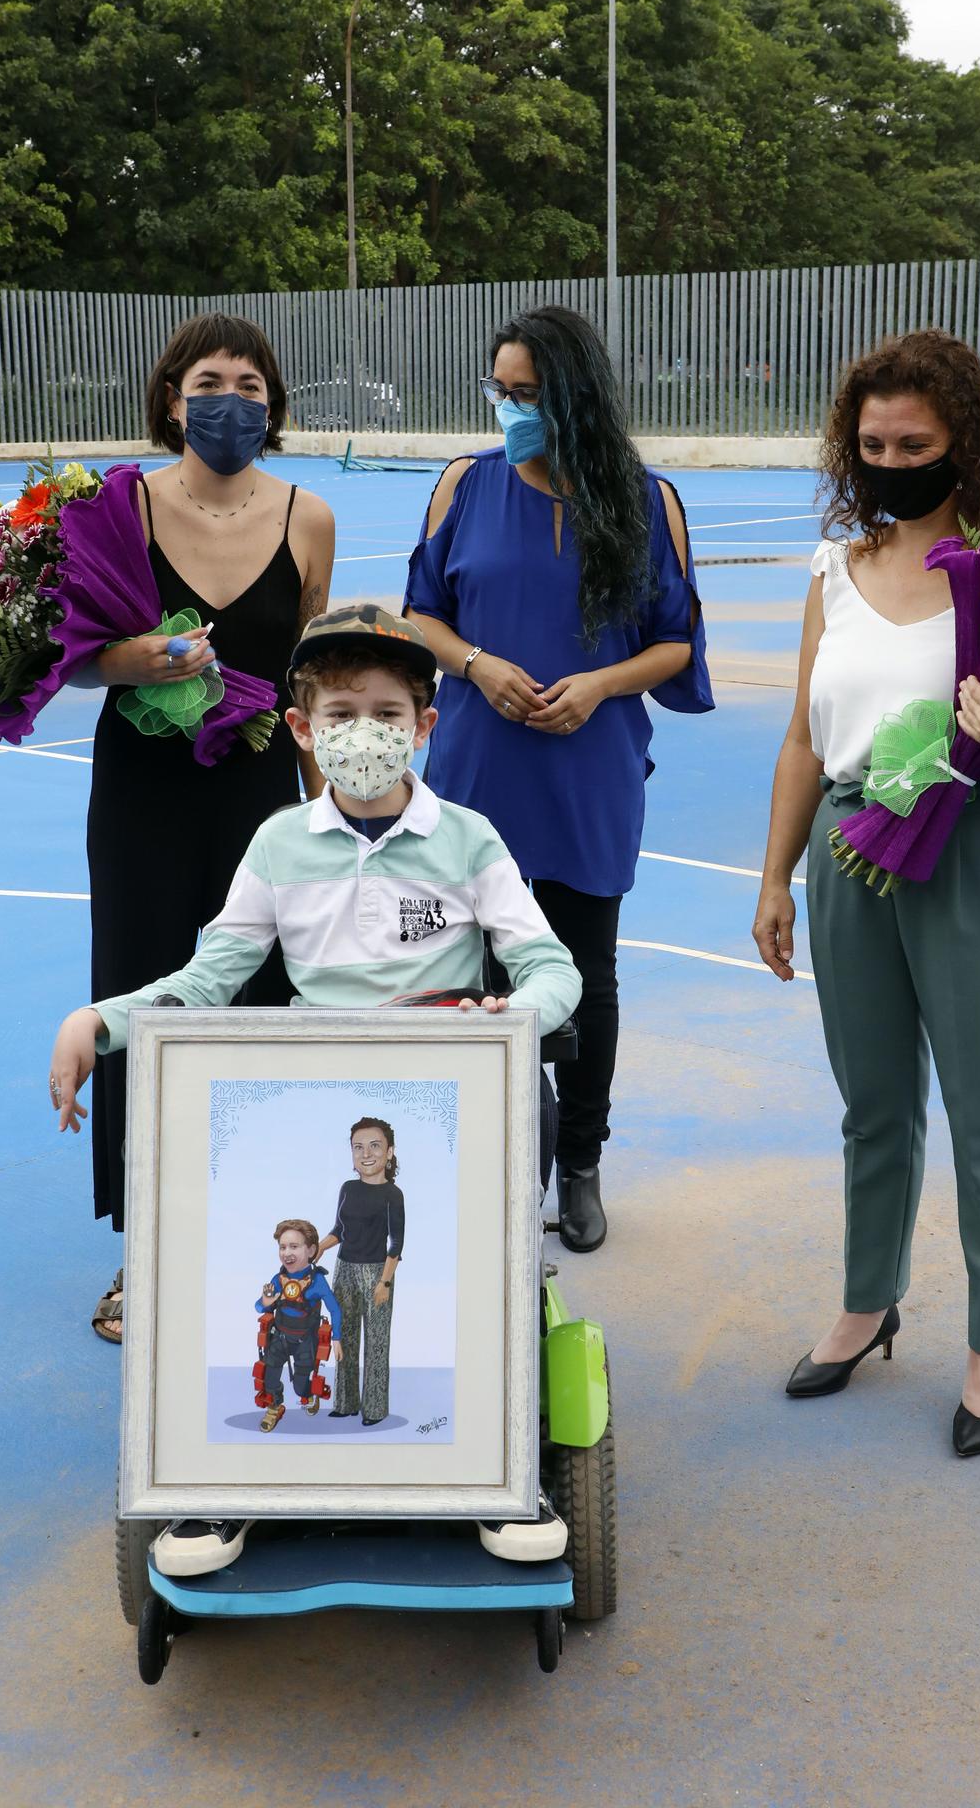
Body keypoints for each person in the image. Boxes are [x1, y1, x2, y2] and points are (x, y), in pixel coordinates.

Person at [49, 603, 581, 1574]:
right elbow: (207, 978)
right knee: (243, 1228)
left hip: (455, 1088)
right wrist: (102, 1019)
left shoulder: (468, 840)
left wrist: (519, 1014)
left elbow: (549, 964)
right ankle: (216, 1481)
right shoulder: (278, 847)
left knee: (495, 1220)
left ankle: (503, 1461)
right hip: (319, 1091)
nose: (363, 731)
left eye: (387, 711)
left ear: (426, 724)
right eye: (340, 712)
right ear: (301, 727)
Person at [751, 328, 980, 1458]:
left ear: (965, 444)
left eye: (916, 441)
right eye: (873, 442)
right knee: (873, 1105)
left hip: (974, 854)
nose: (891, 458)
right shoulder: (831, 569)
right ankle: (869, 1298)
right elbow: (804, 741)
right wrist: (773, 878)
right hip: (850, 854)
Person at [404, 305, 713, 1255]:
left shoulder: (644, 498)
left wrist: (600, 686)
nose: (509, 409)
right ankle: (492, 1164)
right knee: (472, 974)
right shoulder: (463, 484)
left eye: (529, 394)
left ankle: (578, 1165)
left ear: (577, 396)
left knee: (583, 976)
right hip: (476, 767)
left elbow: (673, 643)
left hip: (587, 768)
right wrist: (477, 665)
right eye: (500, 390)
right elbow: (421, 616)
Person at [78, 311, 335, 1341]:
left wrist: (332, 813)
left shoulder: (307, 517)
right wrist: (129, 662)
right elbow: (75, 651)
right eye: (209, 378)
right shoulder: (118, 505)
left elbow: (309, 675)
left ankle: (255, 1231)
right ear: (172, 393)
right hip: (142, 790)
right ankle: (140, 1250)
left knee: (264, 1002)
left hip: (258, 791)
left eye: (249, 382)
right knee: (141, 997)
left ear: (271, 404)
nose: (230, 397)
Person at [317, 1119, 405, 1427]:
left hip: (377, 1272)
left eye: (375, 1145)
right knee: (345, 1337)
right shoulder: (348, 1189)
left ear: (389, 1152)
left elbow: (396, 1244)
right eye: (358, 1147)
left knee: (377, 1343)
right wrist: (320, 1248)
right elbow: (339, 1230)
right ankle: (345, 1403)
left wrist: (385, 1281)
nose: (366, 1153)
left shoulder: (393, 1195)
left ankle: (375, 1410)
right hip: (344, 1270)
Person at [255, 1219, 344, 1432]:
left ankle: (308, 1394)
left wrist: (337, 1338)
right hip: (280, 1337)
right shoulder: (278, 1279)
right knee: (269, 1375)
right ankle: (275, 1406)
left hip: (305, 1340)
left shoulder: (317, 1281)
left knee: (300, 1387)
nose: (287, 1253)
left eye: (294, 1246)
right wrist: (265, 1303)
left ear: (311, 1250)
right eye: (282, 1247)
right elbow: (260, 1306)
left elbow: (335, 1309)